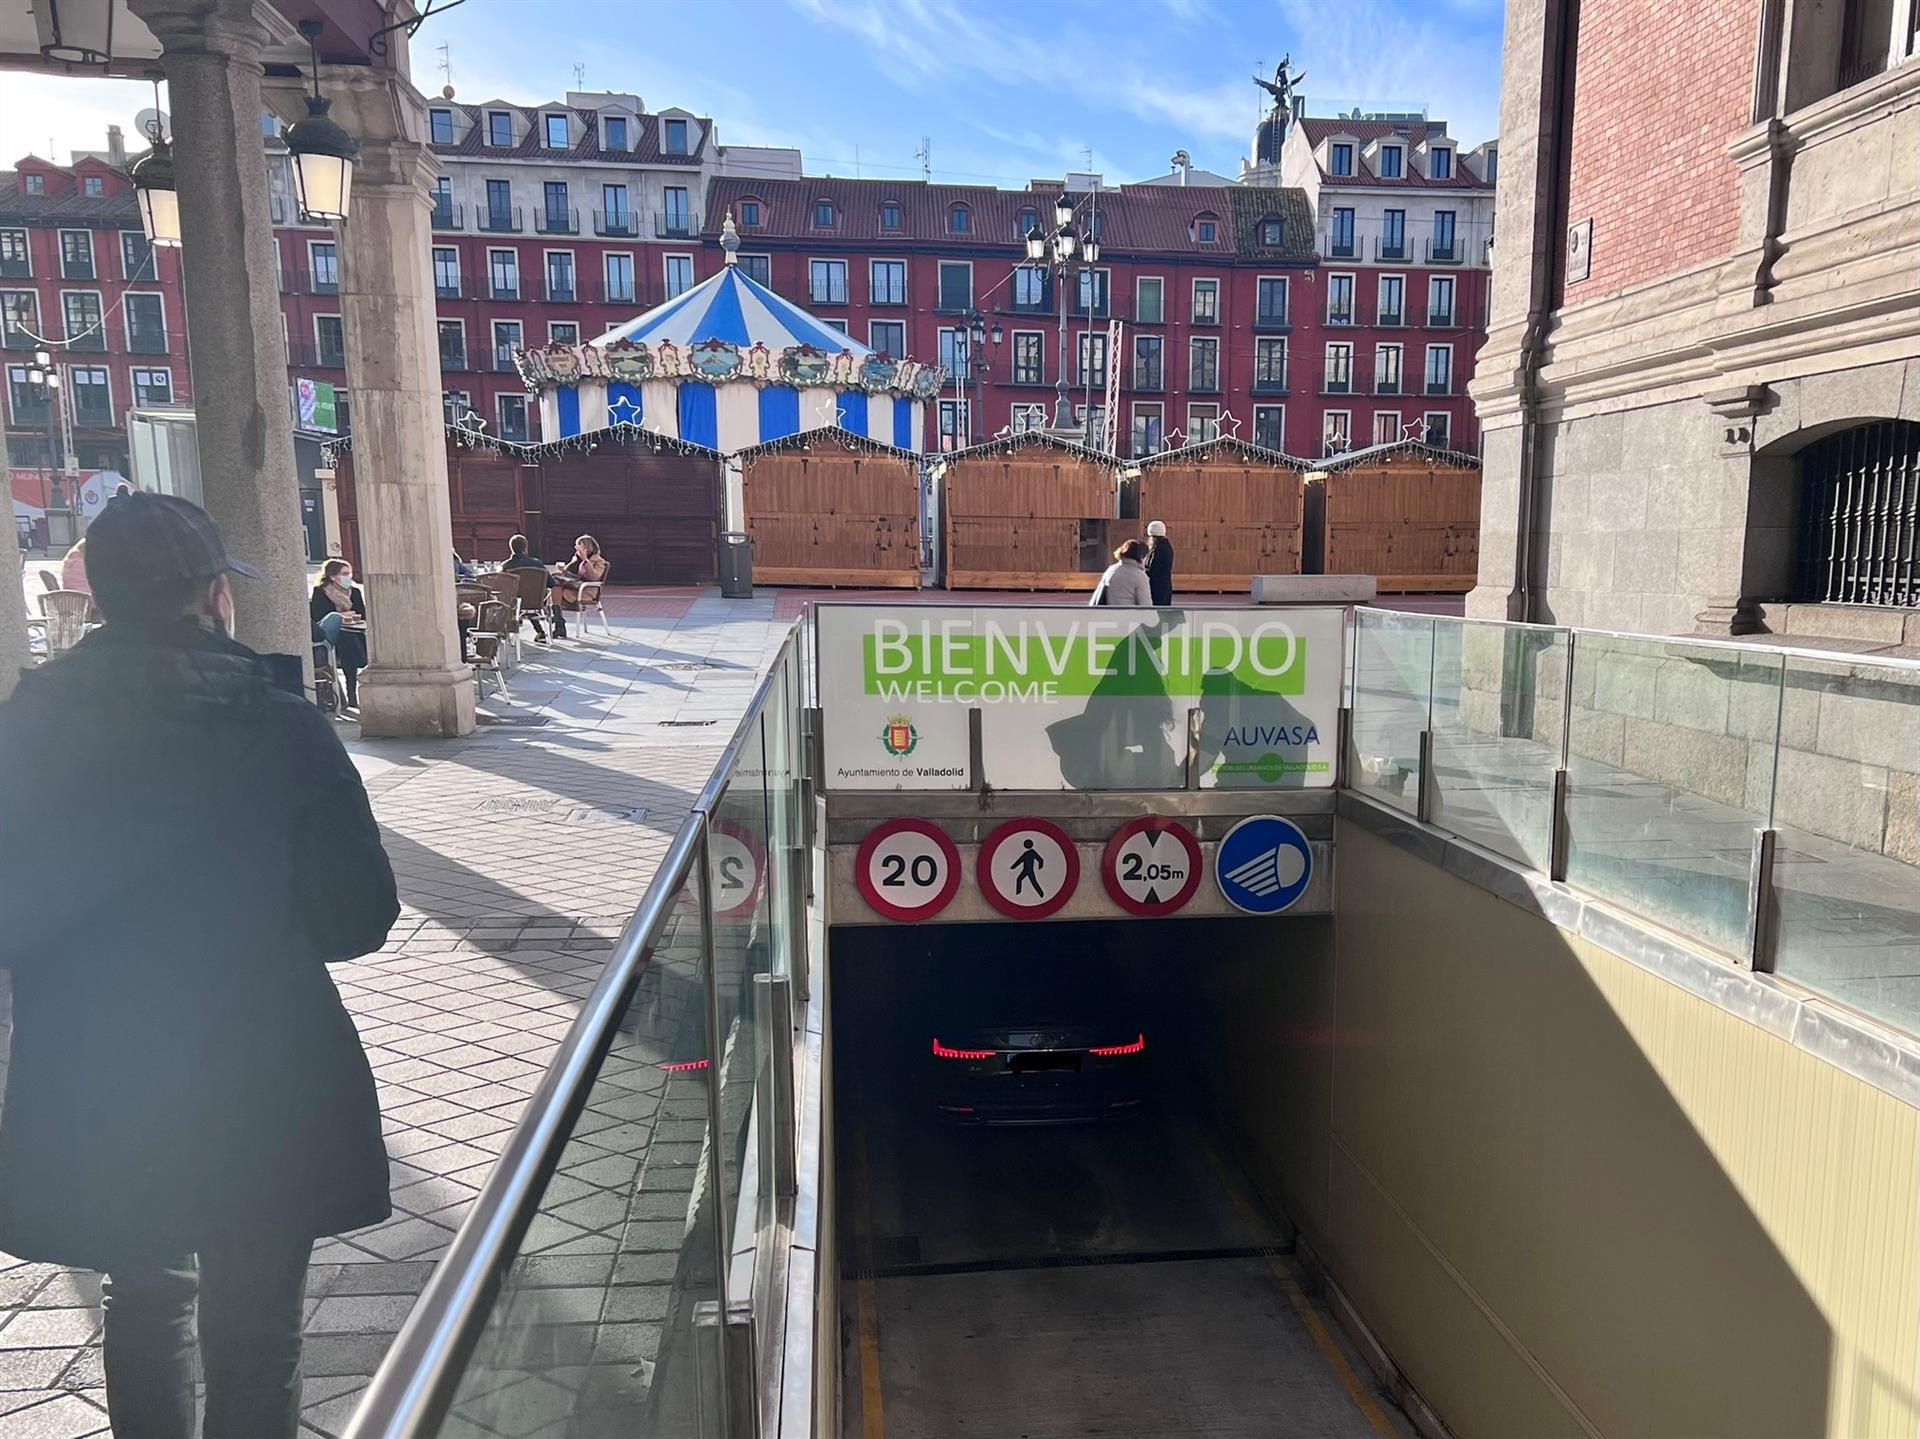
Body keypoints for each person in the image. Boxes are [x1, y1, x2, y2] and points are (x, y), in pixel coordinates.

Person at [0, 492, 397, 1439]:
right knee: (256, 1330)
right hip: (262, 1068)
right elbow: (360, 915)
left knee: (144, 1299)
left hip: (101, 1073)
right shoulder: (281, 723)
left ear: (100, 599)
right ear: (215, 593)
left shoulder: (28, 729)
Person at [309, 558, 368, 709]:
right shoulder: (320, 592)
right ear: (333, 576)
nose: (348, 577)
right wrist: (341, 616)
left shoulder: (354, 592)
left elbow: (362, 614)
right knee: (343, 634)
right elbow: (318, 616)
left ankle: (352, 692)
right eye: (344, 574)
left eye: (350, 573)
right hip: (331, 633)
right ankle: (352, 691)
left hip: (353, 632)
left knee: (348, 642)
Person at [502, 533, 561, 641]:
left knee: (516, 598)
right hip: (536, 601)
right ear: (526, 548)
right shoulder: (537, 564)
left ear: (511, 548)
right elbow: (551, 583)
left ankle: (505, 631)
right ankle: (540, 631)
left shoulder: (506, 566)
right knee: (528, 597)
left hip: (515, 603)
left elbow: (502, 586)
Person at [552, 534, 609, 623]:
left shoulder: (600, 561)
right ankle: (559, 622)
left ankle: (558, 621)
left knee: (555, 587)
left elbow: (594, 577)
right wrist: (561, 567)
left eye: (578, 545)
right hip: (572, 586)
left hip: (586, 590)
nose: (575, 547)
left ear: (586, 546)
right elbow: (567, 573)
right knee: (555, 584)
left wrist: (585, 560)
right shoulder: (575, 558)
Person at [1090, 538, 1154, 607]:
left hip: (1110, 615)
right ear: (1142, 557)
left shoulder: (1111, 570)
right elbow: (1146, 605)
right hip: (1131, 616)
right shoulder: (1140, 577)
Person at [1145, 519, 1175, 607]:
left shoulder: (1159, 549)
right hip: (1163, 587)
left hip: (1157, 588)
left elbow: (1152, 569)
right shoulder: (1165, 547)